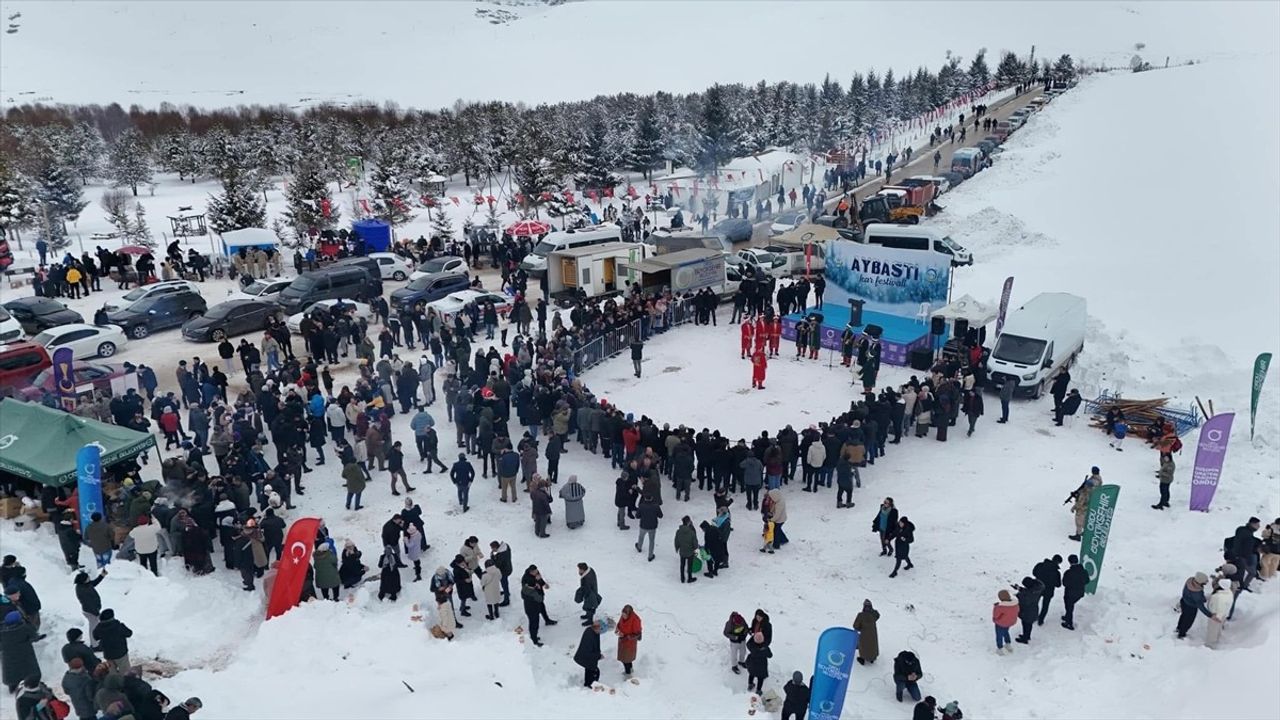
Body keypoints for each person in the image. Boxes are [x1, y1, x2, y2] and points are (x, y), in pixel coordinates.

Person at [0, 611, 39, 694]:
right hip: (25, 654)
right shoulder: (24, 628)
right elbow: (34, 635)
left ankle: (12, 689)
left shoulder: (2, 632)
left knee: (12, 674)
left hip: (8, 658)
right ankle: (31, 686)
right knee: (29, 671)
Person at [520, 565, 555, 647]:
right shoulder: (527, 580)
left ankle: (547, 620)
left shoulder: (536, 575)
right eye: (535, 572)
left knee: (543, 608)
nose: (536, 573)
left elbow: (539, 579)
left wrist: (543, 584)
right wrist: (536, 589)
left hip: (537, 599)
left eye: (537, 571)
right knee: (534, 623)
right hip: (533, 605)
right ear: (530, 572)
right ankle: (534, 640)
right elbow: (530, 592)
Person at [93, 608, 133, 673]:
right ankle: (126, 682)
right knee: (125, 671)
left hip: (108, 654)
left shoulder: (99, 628)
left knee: (112, 672)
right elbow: (129, 633)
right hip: (121, 654)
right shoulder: (118, 626)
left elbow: (95, 636)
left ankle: (114, 682)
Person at [1176, 572, 1212, 639]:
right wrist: (1210, 615)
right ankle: (1182, 634)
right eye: (1205, 581)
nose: (1207, 582)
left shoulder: (1190, 581)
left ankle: (1178, 628)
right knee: (1188, 621)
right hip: (1191, 607)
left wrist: (1202, 598)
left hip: (1184, 601)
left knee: (1183, 616)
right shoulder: (1196, 592)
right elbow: (1201, 606)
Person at [1032, 555, 1062, 625]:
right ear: (1058, 563)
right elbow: (1058, 584)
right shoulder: (1056, 572)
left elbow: (1034, 573)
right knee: (1045, 605)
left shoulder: (1040, 565)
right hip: (1049, 591)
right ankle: (1041, 620)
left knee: (1035, 603)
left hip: (1037, 588)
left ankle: (1033, 616)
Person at [1060, 554, 1087, 630]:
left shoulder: (1068, 572)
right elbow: (1087, 580)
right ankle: (1067, 617)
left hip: (1069, 593)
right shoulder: (1084, 571)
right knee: (1070, 606)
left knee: (1069, 607)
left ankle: (1069, 623)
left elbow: (1064, 583)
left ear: (1069, 562)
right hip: (1080, 593)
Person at [1013, 576, 1043, 644]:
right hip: (1033, 610)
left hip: (1026, 612)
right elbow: (1028, 591)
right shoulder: (1037, 589)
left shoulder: (1028, 594)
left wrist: (1018, 595)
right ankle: (1027, 636)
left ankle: (1025, 638)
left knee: (1026, 624)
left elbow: (1023, 599)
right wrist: (1020, 589)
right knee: (1029, 624)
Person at [1204, 578, 1233, 648]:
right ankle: (1217, 638)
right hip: (1224, 614)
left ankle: (1210, 645)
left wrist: (1216, 616)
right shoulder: (1229, 592)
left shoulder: (1218, 597)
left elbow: (1218, 608)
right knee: (1218, 628)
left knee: (1212, 630)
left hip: (1215, 616)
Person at [574, 620, 603, 687]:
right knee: (593, 671)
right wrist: (598, 656)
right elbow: (588, 652)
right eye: (600, 629)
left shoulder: (593, 631)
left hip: (589, 658)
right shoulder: (590, 636)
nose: (600, 631)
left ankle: (589, 684)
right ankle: (590, 685)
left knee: (590, 670)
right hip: (585, 657)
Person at [615, 605, 642, 675]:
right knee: (625, 659)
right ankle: (630, 668)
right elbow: (619, 623)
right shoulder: (623, 615)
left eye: (624, 615)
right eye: (622, 614)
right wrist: (617, 629)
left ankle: (628, 673)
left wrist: (626, 636)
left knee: (626, 660)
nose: (623, 616)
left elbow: (637, 634)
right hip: (622, 641)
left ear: (629, 614)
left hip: (629, 644)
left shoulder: (635, 620)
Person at [635, 494, 663, 561]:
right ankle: (650, 556)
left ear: (645, 498)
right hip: (652, 526)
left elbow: (637, 516)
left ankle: (639, 547)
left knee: (641, 537)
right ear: (652, 498)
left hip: (643, 525)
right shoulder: (656, 506)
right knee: (651, 541)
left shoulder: (641, 506)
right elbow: (660, 516)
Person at [852, 599, 880, 664]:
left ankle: (862, 658)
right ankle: (872, 658)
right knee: (873, 645)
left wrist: (859, 629)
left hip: (864, 634)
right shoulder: (874, 614)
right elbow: (878, 615)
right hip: (873, 634)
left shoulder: (860, 615)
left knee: (863, 646)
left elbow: (855, 626)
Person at [992, 589, 1019, 655]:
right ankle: (1008, 644)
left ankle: (1000, 648)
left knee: (999, 635)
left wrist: (996, 607)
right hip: (1010, 622)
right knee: (1006, 632)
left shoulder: (1000, 607)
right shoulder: (1015, 604)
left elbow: (996, 615)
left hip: (1001, 623)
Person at [674, 516, 699, 584]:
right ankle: (689, 578)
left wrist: (677, 547)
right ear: (688, 522)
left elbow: (676, 540)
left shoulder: (678, 531)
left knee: (682, 565)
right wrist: (696, 549)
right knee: (689, 565)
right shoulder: (691, 532)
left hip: (682, 551)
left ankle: (682, 578)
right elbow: (695, 542)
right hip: (690, 552)